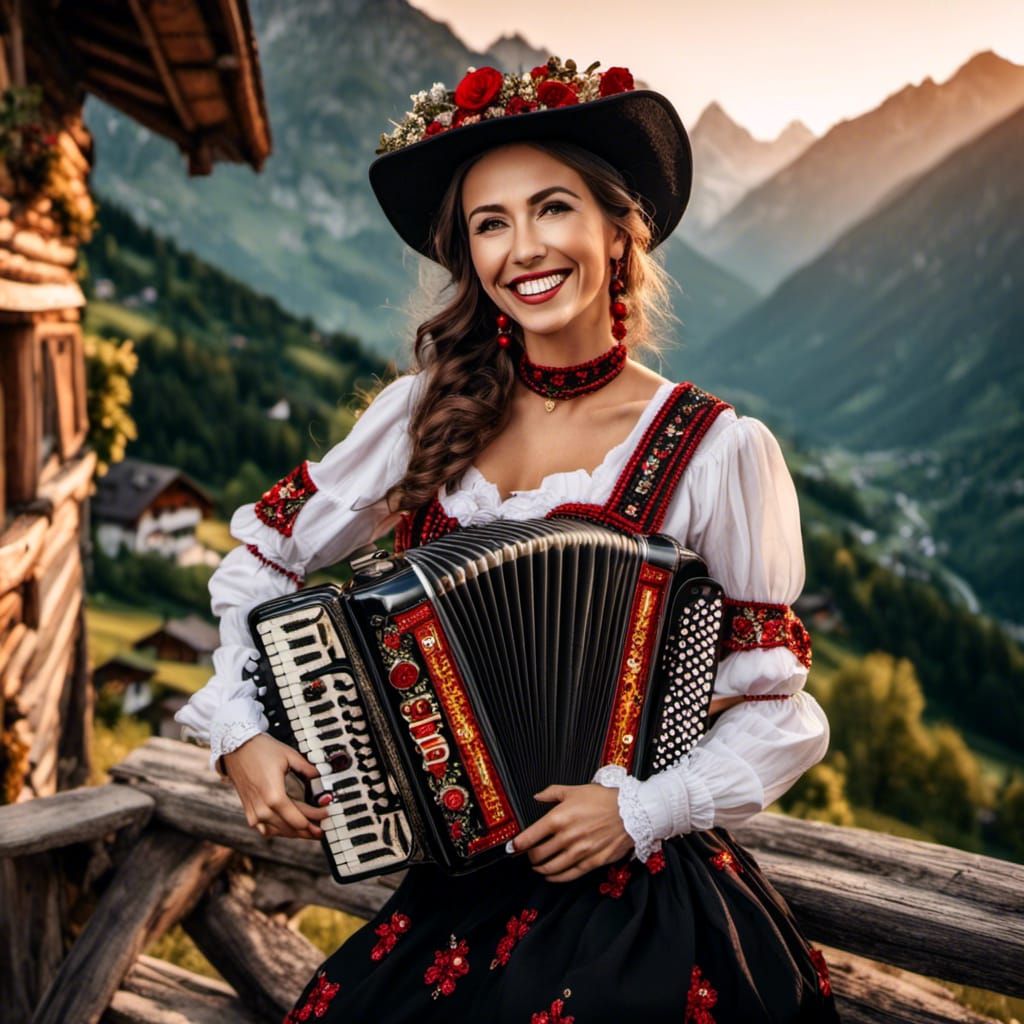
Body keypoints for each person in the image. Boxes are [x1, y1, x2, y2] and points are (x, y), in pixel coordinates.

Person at [176, 56, 841, 1023]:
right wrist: (237, 729)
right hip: (454, 894)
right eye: (491, 224)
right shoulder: (423, 412)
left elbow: (777, 706)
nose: (523, 249)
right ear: (470, 259)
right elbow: (263, 558)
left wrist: (643, 810)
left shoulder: (714, 449)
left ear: (621, 231)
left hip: (631, 893)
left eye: (553, 208)